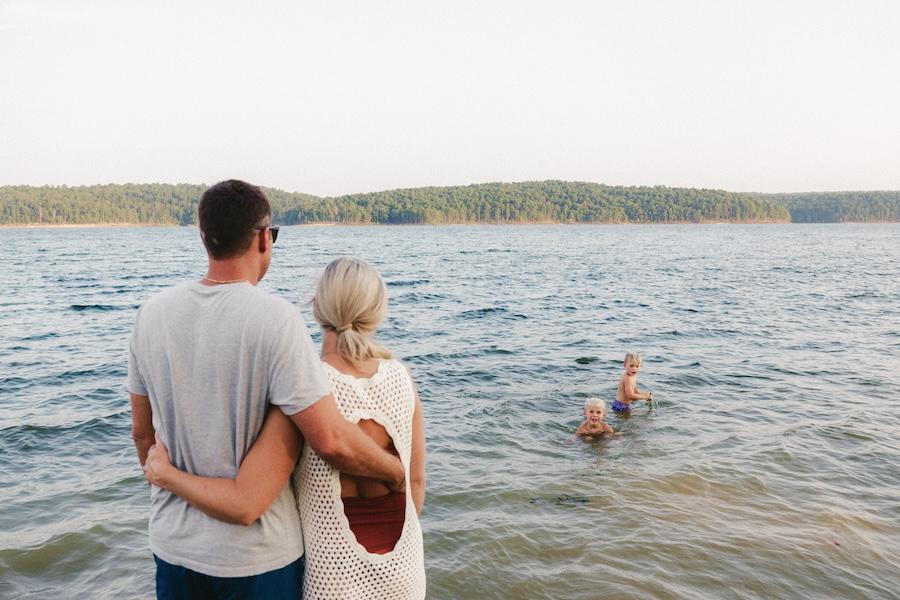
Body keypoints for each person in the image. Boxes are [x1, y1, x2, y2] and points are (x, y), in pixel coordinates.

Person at [129, 180, 404, 599]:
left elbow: (142, 435)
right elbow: (329, 439)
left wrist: (168, 484)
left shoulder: (150, 315)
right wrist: (394, 472)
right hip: (256, 561)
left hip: (173, 549)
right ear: (262, 237)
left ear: (205, 236)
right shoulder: (276, 319)